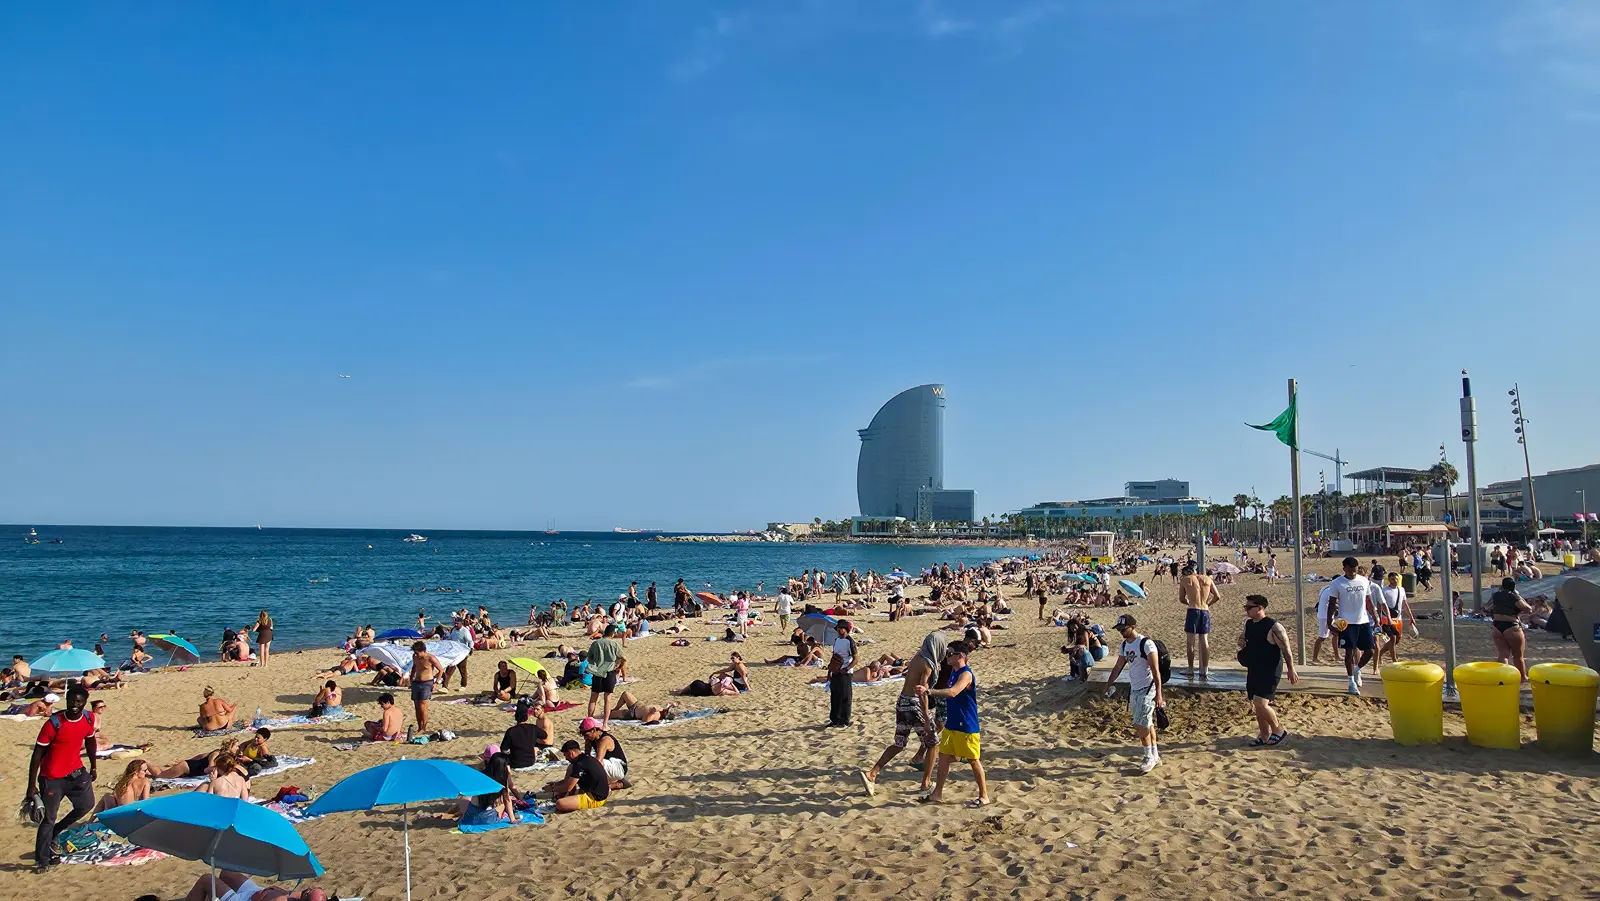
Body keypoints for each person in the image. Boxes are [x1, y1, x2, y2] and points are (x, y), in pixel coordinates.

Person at [861, 632, 946, 796]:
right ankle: (926, 783)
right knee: (933, 742)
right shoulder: (927, 665)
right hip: (914, 704)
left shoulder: (918, 657)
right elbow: (921, 692)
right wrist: (927, 718)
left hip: (902, 701)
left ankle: (872, 773)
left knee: (899, 743)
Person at [28, 685, 97, 870]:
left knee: (86, 805)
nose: (75, 705)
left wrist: (94, 765)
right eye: (71, 701)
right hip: (51, 778)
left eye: (79, 701)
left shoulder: (89, 718)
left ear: (84, 702)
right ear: (66, 701)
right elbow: (37, 754)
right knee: (48, 819)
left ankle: (57, 832)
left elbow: (90, 741)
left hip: (76, 773)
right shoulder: (53, 723)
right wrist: (31, 786)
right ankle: (42, 860)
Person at [917, 640, 989, 806]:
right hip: (952, 724)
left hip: (966, 725)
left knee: (973, 759)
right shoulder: (953, 672)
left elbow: (953, 692)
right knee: (943, 757)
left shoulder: (966, 674)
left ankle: (984, 796)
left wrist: (928, 691)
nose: (947, 656)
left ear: (961, 656)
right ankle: (937, 794)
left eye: (950, 653)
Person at [1102, 614, 1164, 774]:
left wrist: (1159, 694)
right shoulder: (1124, 646)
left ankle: (1148, 756)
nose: (1121, 632)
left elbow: (1156, 671)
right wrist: (1108, 684)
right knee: (1146, 722)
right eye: (1120, 629)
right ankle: (1155, 755)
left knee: (1140, 724)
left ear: (1133, 627)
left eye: (1124, 629)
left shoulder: (1146, 644)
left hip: (1148, 688)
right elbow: (1118, 667)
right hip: (1135, 688)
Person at [1238, 595, 1299, 745]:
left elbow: (1286, 648)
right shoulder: (1249, 624)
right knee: (1256, 703)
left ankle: (1278, 730)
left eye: (1249, 607)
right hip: (1254, 667)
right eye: (1245, 607)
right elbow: (1243, 639)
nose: (1246, 610)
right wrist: (1241, 643)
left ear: (1260, 608)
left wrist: (1291, 668)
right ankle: (1264, 734)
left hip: (1270, 669)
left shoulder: (1274, 626)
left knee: (1261, 702)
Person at [1320, 557, 1379, 695]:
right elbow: (1332, 603)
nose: (1353, 571)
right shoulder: (1337, 583)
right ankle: (1351, 682)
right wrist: (1330, 622)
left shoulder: (1364, 581)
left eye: (1355, 569)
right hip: (1346, 623)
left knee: (1371, 650)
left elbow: (1368, 601)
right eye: (1350, 569)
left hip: (1363, 621)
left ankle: (1357, 669)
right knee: (1349, 653)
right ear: (1344, 568)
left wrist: (1375, 617)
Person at [1178, 562, 1221, 679]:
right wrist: (1208, 604)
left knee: (1190, 642)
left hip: (1192, 610)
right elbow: (1217, 596)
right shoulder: (1207, 579)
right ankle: (1205, 669)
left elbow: (1181, 599)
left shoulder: (1185, 580)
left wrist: (1190, 602)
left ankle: (1190, 668)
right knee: (1204, 640)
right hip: (1205, 610)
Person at [543, 739, 611, 812]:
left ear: (570, 753)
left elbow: (568, 787)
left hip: (595, 798)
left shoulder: (580, 765)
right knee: (570, 768)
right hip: (599, 791)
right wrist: (555, 784)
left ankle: (565, 798)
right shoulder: (585, 758)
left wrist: (552, 789)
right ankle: (563, 795)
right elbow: (568, 782)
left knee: (560, 804)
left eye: (566, 755)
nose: (566, 758)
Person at [1490, 577, 1533, 681]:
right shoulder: (1513, 596)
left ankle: (1502, 677)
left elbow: (1488, 608)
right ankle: (1523, 677)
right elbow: (1528, 609)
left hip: (1496, 626)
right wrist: (1519, 596)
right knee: (1518, 655)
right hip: (1511, 625)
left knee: (1503, 653)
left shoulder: (1496, 595)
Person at [1374, 571, 1416, 671]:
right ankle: (1394, 660)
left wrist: (1411, 616)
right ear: (1389, 580)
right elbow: (1380, 605)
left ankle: (1381, 653)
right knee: (1392, 638)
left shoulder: (1401, 590)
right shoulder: (1384, 590)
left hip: (1398, 618)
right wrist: (1379, 618)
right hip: (1386, 619)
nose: (1395, 581)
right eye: (1393, 579)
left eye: (1396, 579)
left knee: (1398, 638)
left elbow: (1404, 604)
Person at [586, 624, 625, 727]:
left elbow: (589, 658)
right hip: (609, 672)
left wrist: (596, 662)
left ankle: (590, 720)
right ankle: (605, 724)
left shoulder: (596, 643)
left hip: (597, 671)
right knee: (607, 699)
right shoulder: (614, 644)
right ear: (612, 634)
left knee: (593, 697)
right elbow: (623, 658)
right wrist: (619, 667)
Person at [580, 716, 629, 789]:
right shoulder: (590, 739)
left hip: (619, 767)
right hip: (610, 764)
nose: (585, 738)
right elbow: (587, 756)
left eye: (586, 735)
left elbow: (599, 761)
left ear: (593, 730)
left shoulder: (604, 740)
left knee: (595, 764)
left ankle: (617, 784)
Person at [827, 619, 857, 727]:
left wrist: (847, 668)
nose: (839, 630)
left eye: (841, 628)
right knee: (835, 696)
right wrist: (829, 671)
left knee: (845, 697)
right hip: (836, 671)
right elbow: (834, 657)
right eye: (838, 628)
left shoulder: (850, 641)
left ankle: (845, 720)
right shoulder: (836, 640)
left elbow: (856, 659)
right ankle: (835, 719)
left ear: (846, 629)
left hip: (846, 673)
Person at [408, 641, 443, 732]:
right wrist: (411, 678)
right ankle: (419, 726)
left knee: (423, 706)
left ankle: (423, 728)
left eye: (417, 652)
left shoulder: (431, 658)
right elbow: (414, 667)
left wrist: (436, 683)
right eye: (415, 652)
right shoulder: (415, 657)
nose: (416, 655)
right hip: (416, 682)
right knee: (417, 706)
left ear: (423, 650)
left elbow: (440, 670)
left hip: (427, 683)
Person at [501, 704, 548, 769]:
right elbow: (544, 735)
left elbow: (504, 749)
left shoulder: (511, 731)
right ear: (526, 716)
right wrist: (533, 738)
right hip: (530, 761)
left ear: (516, 716)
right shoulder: (533, 728)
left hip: (515, 762)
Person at [609, 690, 679, 724]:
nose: (666, 710)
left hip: (632, 714)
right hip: (637, 705)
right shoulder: (662, 709)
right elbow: (670, 704)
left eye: (667, 711)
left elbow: (645, 721)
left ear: (665, 715)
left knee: (609, 715)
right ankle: (616, 708)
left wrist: (651, 712)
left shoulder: (657, 715)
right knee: (625, 694)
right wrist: (673, 704)